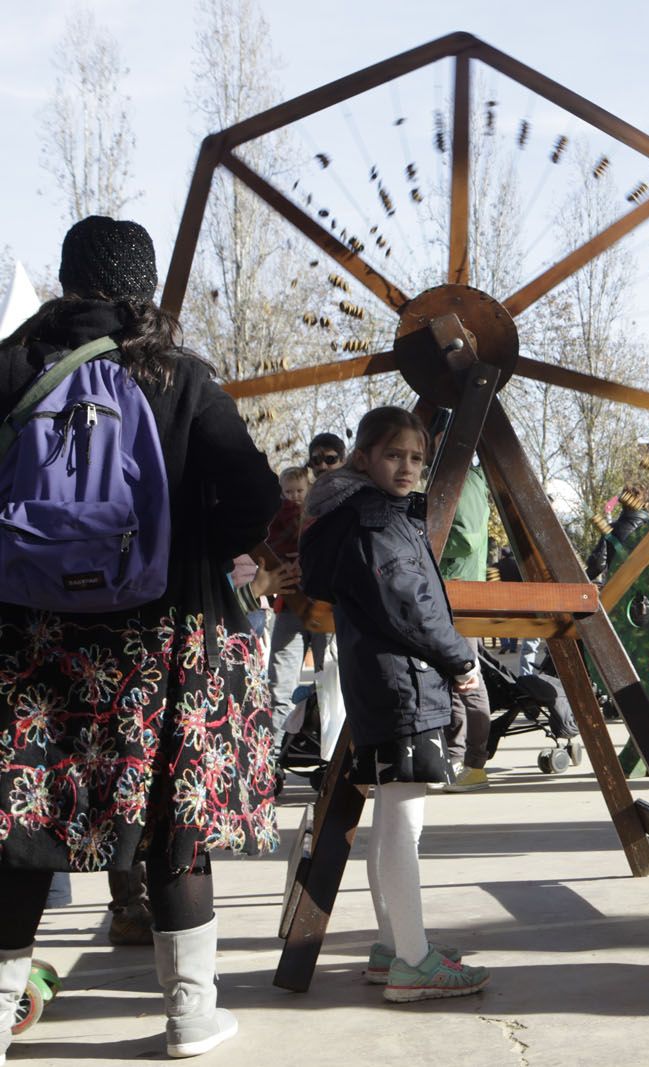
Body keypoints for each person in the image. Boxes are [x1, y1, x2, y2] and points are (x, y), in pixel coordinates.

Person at [0, 216, 281, 1058]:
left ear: (66, 277)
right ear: (145, 286)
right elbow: (257, 495)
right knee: (172, 820)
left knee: (18, 830)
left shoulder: (13, 367)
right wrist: (191, 533)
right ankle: (191, 1015)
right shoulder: (180, 377)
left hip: (26, 639)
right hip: (163, 637)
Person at [299, 405, 490, 1003]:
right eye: (394, 456)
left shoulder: (351, 515)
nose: (407, 468)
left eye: (416, 458)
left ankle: (393, 945)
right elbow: (412, 605)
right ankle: (413, 961)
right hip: (405, 684)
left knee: (388, 821)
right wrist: (460, 659)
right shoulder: (377, 519)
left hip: (378, 684)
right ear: (364, 458)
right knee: (404, 826)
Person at [267, 440, 344, 764]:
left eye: (330, 459)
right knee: (279, 689)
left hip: (328, 605)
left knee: (331, 687)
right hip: (293, 604)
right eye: (317, 460)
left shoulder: (345, 500)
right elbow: (269, 544)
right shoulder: (286, 511)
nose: (323, 465)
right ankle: (268, 761)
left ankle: (333, 761)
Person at [435, 430, 492, 793]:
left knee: (468, 679)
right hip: (451, 591)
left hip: (461, 593)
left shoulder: (466, 482)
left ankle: (474, 764)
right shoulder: (457, 479)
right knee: (455, 680)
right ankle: (457, 759)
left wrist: (427, 539)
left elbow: (467, 537)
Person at [585, 485, 649, 581]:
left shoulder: (610, 530)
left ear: (623, 503)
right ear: (645, 504)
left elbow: (598, 565)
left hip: (619, 590)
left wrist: (580, 581)